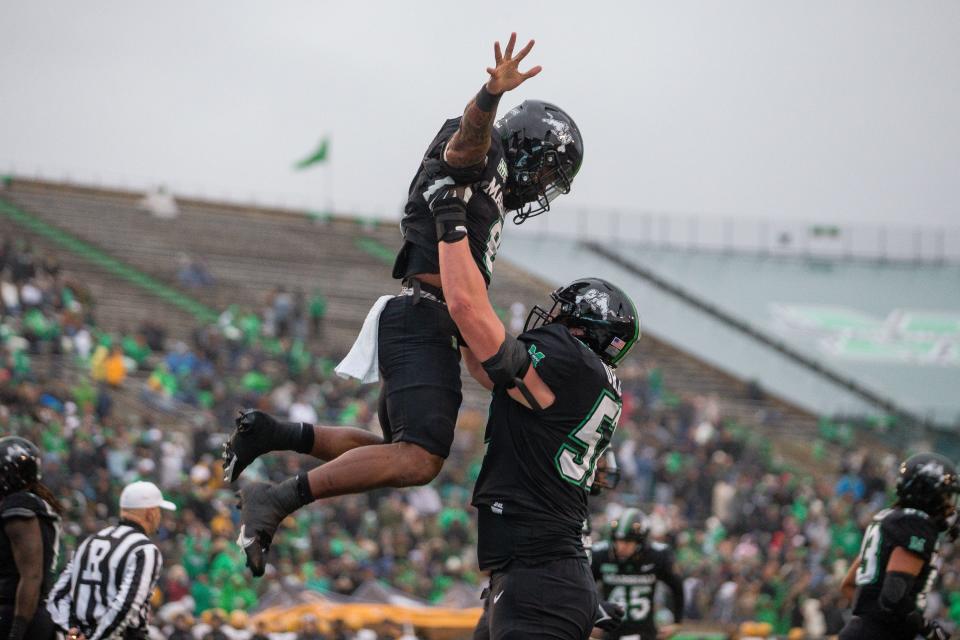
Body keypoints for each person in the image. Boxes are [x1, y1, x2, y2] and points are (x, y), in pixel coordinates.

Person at [225, 31, 584, 577]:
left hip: (422, 317)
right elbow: (463, 146)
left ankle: (276, 434)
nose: (543, 190)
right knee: (418, 459)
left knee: (394, 451)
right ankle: (275, 500)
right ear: (532, 148)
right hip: (423, 317)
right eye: (549, 174)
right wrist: (489, 96)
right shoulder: (484, 156)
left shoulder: (493, 191)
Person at [837, 452, 959, 640]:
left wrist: (871, 617)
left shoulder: (888, 517)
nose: (950, 507)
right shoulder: (916, 524)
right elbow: (894, 597)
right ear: (929, 493)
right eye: (946, 497)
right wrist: (929, 631)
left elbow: (849, 584)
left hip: (859, 631)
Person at [48, 481, 176, 640]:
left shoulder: (90, 541)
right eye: (159, 511)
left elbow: (57, 596)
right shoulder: (144, 549)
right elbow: (127, 605)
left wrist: (71, 630)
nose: (160, 517)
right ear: (151, 513)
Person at [0, 436, 62, 640]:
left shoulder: (19, 504)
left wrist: (16, 632)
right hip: (29, 611)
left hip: (17, 613)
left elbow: (31, 575)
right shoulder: (33, 503)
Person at [590, 509, 685, 640]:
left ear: (641, 542)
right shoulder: (601, 554)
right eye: (617, 540)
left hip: (645, 632)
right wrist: (590, 618)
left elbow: (677, 587)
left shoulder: (657, 555)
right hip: (611, 631)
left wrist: (677, 622)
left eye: (627, 542)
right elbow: (584, 589)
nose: (621, 546)